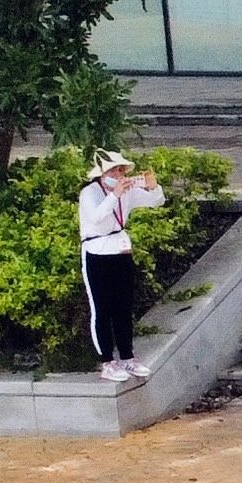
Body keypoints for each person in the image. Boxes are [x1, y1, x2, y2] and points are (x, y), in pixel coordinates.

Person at [74, 152, 167, 383]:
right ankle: (107, 361)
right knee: (102, 308)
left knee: (123, 307)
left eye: (121, 169)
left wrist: (153, 187)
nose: (118, 174)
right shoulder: (90, 193)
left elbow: (156, 201)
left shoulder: (126, 191)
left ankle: (127, 356)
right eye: (113, 170)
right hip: (97, 251)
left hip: (121, 249)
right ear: (102, 173)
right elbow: (97, 217)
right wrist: (114, 195)